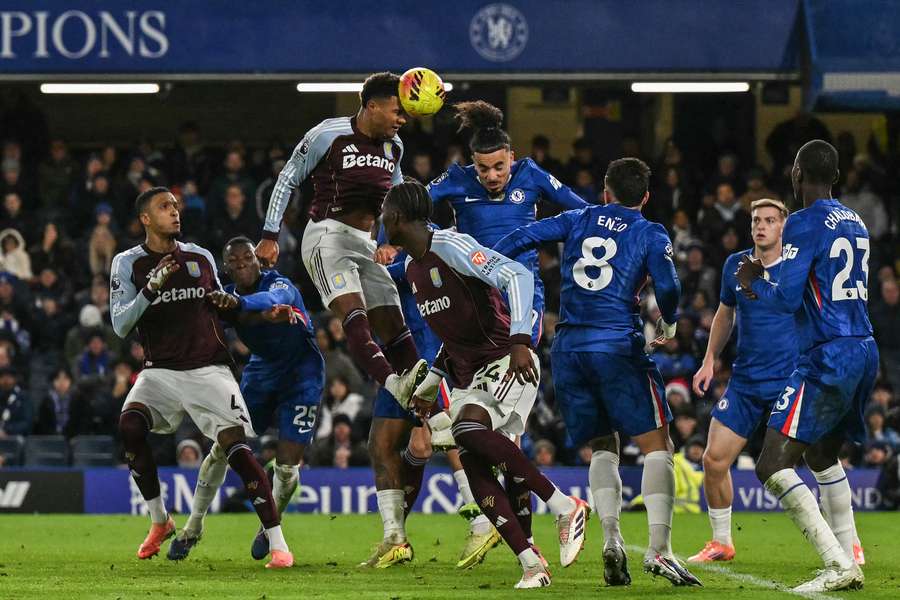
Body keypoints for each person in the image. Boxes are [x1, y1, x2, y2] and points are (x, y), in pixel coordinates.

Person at [494, 158, 701, 587]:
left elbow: (523, 236)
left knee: (603, 444)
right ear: (645, 197)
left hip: (568, 349)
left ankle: (612, 539)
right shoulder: (650, 231)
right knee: (657, 443)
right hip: (615, 345)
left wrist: (487, 270)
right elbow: (669, 286)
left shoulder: (579, 217)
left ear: (605, 191)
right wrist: (670, 319)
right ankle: (660, 552)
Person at [254, 72, 428, 566]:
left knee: (395, 326)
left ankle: (422, 395)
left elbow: (397, 200)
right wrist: (270, 233)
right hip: (325, 233)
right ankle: (395, 387)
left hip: (367, 241)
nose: (402, 118)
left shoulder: (393, 148)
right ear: (372, 105)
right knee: (353, 313)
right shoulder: (328, 133)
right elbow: (289, 177)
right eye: (396, 109)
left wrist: (392, 238)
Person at [384, 180, 589, 589]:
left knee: (467, 430)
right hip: (469, 376)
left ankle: (566, 505)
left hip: (508, 360)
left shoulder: (453, 246)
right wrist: (429, 389)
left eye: (385, 214)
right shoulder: (411, 268)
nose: (381, 221)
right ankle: (532, 564)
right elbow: (452, 338)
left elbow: (515, 275)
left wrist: (518, 339)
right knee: (473, 458)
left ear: (400, 218)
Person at [110, 186, 292, 569]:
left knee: (236, 447)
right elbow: (121, 325)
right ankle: (160, 521)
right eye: (164, 208)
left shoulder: (200, 256)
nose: (175, 212)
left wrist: (253, 312)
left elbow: (220, 307)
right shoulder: (128, 264)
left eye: (175, 206)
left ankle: (278, 544)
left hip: (208, 367)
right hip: (159, 371)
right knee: (129, 424)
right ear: (145, 218)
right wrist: (149, 289)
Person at [736, 140, 878, 592]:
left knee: (771, 464)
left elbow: (786, 298)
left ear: (797, 173)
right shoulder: (855, 221)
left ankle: (838, 565)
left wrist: (754, 279)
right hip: (863, 347)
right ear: (835, 176)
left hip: (828, 353)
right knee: (821, 453)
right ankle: (851, 551)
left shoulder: (801, 224)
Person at [167, 236, 324, 563]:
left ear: (259, 260)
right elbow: (197, 320)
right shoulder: (227, 299)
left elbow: (272, 298)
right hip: (261, 374)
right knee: (223, 446)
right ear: (227, 268)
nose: (242, 265)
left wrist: (242, 307)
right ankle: (193, 527)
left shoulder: (278, 283)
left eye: (247, 258)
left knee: (286, 466)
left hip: (303, 373)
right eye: (235, 262)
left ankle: (269, 525)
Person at [688, 199, 799, 562]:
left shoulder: (798, 265)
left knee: (820, 460)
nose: (761, 226)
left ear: (783, 226)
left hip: (791, 379)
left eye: (769, 220)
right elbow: (724, 314)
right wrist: (709, 360)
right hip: (747, 381)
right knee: (714, 459)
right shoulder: (735, 265)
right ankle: (722, 541)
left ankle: (849, 542)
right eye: (756, 220)